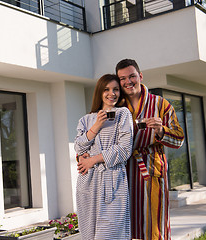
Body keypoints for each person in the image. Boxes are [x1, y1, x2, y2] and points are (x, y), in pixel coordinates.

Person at [115, 59, 185, 240]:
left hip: (152, 170)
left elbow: (179, 139)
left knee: (155, 225)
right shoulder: (116, 107)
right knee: (124, 225)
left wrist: (161, 130)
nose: (128, 82)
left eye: (132, 76)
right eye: (122, 78)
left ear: (140, 76)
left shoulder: (161, 104)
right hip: (123, 173)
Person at [75, 74, 133, 240]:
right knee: (89, 233)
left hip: (112, 181)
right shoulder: (86, 120)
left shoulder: (123, 114)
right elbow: (79, 147)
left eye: (115, 89)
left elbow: (124, 149)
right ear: (99, 92)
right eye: (106, 89)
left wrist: (92, 159)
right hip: (88, 181)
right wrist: (97, 125)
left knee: (109, 234)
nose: (112, 93)